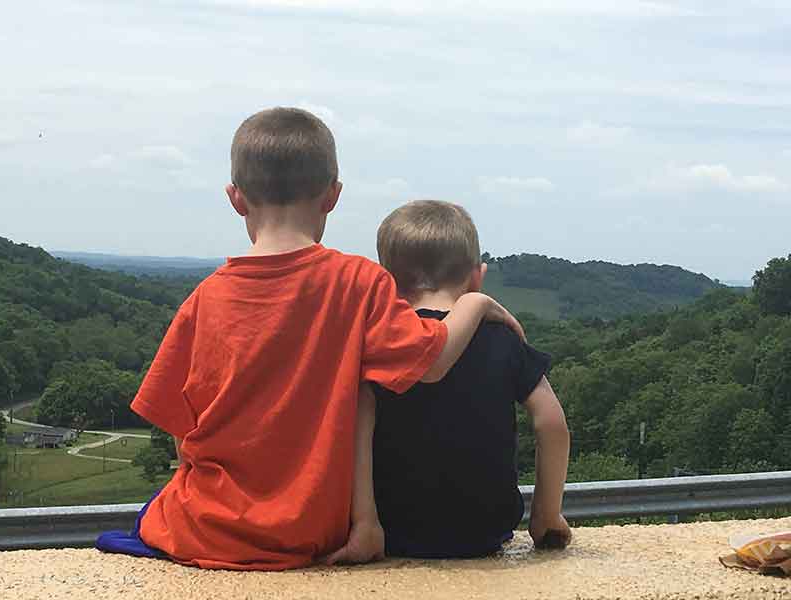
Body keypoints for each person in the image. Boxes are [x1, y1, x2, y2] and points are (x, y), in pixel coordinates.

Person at [117, 108, 524, 571]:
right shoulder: (360, 283)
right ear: (333, 196)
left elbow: (180, 432)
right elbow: (430, 363)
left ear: (236, 198)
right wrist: (476, 304)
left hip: (205, 529)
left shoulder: (204, 299)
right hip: (309, 532)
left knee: (150, 513)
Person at [336, 200, 571, 560]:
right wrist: (546, 515)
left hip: (394, 528)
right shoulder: (502, 338)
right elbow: (552, 422)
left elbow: (356, 427)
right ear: (477, 277)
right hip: (485, 530)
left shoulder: (383, 343)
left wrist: (366, 521)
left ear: (389, 284)